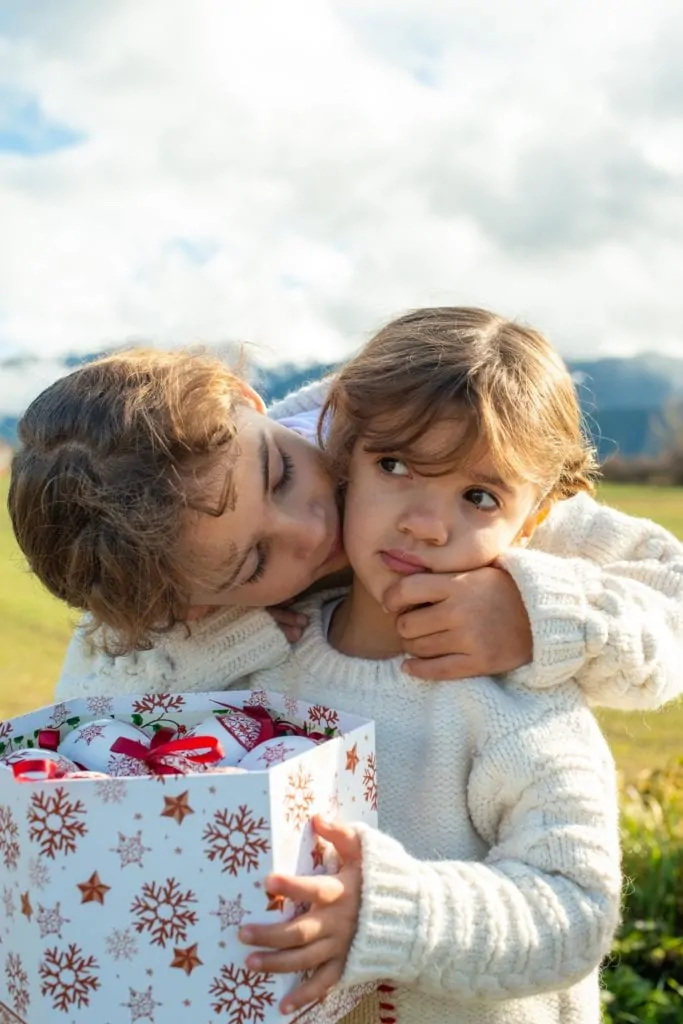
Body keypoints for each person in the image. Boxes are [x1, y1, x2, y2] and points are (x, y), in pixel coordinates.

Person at [223, 307, 624, 1022]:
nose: (425, 523)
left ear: (530, 522)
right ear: (341, 451)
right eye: (396, 465)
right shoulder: (257, 659)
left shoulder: (524, 701)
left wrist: (388, 915)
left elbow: (575, 908)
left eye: (478, 496)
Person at [7, 330, 683, 710]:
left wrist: (534, 616)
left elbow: (672, 596)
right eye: (256, 563)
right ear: (190, 601)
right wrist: (216, 645)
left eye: (280, 474)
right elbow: (85, 721)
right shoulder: (157, 587)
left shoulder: (436, 454)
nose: (309, 528)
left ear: (247, 401)